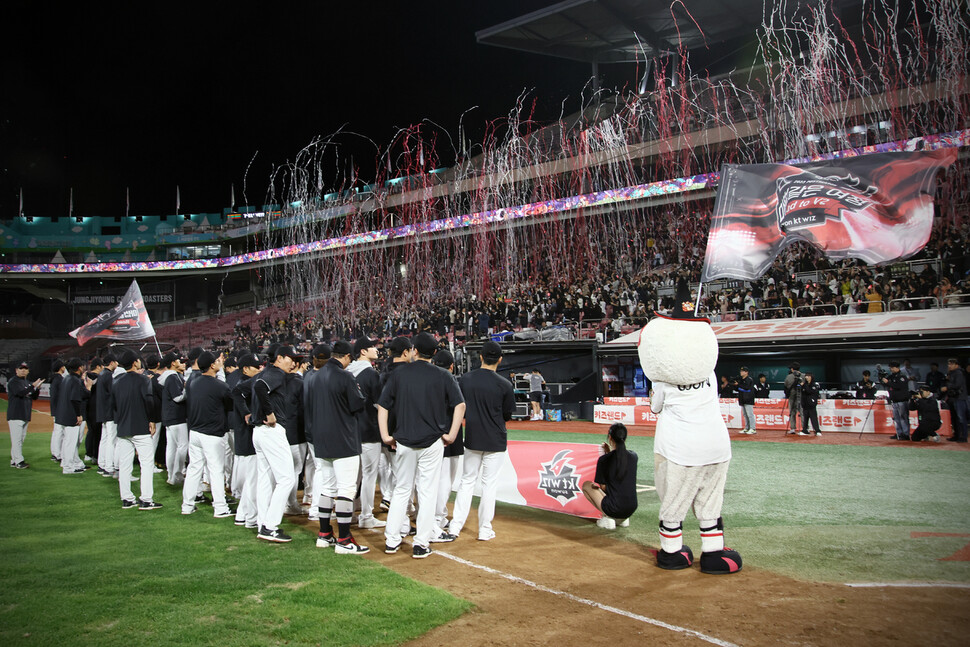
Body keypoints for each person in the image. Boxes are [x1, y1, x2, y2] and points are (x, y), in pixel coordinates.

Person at [379, 332, 465, 559]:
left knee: (401, 490)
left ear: (414, 350)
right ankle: (421, 543)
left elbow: (382, 407)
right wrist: (452, 434)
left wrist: (386, 435)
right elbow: (460, 406)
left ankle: (392, 540)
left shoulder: (399, 375)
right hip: (432, 442)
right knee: (427, 492)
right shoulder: (443, 375)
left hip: (404, 441)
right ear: (435, 353)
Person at [304, 340, 369, 554]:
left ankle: (324, 534)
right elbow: (357, 404)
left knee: (328, 488)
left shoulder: (315, 376)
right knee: (346, 490)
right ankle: (344, 540)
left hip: (321, 439)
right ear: (347, 357)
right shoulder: (345, 376)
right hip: (343, 438)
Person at [449, 341, 514, 542]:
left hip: (473, 437)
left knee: (467, 482)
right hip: (495, 439)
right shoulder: (505, 384)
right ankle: (485, 529)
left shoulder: (465, 380)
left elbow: (459, 407)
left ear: (481, 357)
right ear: (500, 359)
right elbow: (507, 414)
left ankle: (455, 526)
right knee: (489, 485)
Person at [251, 344, 302, 542]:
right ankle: (270, 526)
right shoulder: (276, 373)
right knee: (287, 479)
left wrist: (254, 412)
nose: (294, 362)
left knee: (265, 479)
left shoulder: (265, 373)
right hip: (271, 431)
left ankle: (263, 523)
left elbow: (247, 388)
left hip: (259, 431)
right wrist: (269, 413)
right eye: (290, 358)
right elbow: (259, 387)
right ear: (279, 358)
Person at [182, 351, 235, 518]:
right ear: (212, 365)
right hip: (212, 434)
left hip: (195, 432)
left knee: (194, 469)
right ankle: (220, 508)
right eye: (217, 361)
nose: (220, 363)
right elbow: (230, 406)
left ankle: (187, 505)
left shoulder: (193, 383)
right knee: (216, 470)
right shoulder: (220, 386)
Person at [112, 350, 161, 510]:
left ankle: (127, 499)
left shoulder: (116, 381)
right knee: (146, 464)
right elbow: (149, 402)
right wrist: (152, 420)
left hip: (123, 427)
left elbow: (114, 405)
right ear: (135, 363)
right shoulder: (143, 379)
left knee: (125, 465)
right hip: (141, 427)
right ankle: (146, 500)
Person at [347, 337, 386, 530]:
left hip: (351, 431)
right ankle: (366, 515)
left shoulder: (346, 372)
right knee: (369, 474)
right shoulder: (371, 374)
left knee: (355, 475)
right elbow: (381, 405)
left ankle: (350, 511)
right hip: (369, 430)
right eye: (372, 346)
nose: (376, 349)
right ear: (363, 351)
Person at [580, 422, 638, 529]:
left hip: (614, 508)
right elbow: (618, 460)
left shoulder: (604, 460)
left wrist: (607, 454)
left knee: (587, 485)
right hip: (631, 508)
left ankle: (608, 517)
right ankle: (621, 520)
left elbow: (603, 488)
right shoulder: (634, 456)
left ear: (610, 438)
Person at [432, 349, 463, 536]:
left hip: (432, 432)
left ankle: (435, 514)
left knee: (431, 479)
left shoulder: (427, 381)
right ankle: (438, 516)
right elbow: (461, 407)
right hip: (451, 433)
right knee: (445, 480)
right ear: (452, 366)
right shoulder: (452, 381)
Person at [231, 353, 262, 529]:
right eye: (255, 367)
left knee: (250, 479)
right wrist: (246, 413)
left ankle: (242, 514)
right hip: (246, 436)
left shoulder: (240, 381)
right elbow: (236, 395)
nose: (259, 370)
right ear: (245, 369)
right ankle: (248, 515)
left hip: (243, 437)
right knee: (252, 479)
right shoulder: (242, 384)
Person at [53, 358, 88, 474]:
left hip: (62, 414)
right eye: (82, 366)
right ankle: (68, 467)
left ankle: (66, 463)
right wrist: (78, 415)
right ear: (79, 368)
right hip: (70, 415)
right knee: (70, 442)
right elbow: (75, 399)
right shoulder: (74, 380)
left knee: (67, 441)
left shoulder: (66, 378)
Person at [158, 352, 188, 485]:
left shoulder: (170, 376)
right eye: (178, 361)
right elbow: (178, 397)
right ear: (172, 363)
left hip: (170, 417)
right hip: (176, 416)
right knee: (182, 446)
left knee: (172, 447)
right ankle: (177, 474)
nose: (181, 363)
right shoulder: (172, 377)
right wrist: (187, 389)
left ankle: (171, 475)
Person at [6, 361, 43, 469]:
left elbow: (33, 397)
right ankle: (19, 461)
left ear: (28, 371)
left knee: (20, 439)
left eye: (25, 368)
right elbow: (20, 393)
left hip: (25, 415)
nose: (23, 370)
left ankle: (14, 460)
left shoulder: (26, 382)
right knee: (17, 439)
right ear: (16, 370)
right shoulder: (13, 381)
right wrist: (32, 386)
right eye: (21, 368)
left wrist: (37, 389)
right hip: (15, 414)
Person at [96, 353, 119, 477]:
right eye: (116, 362)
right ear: (111, 363)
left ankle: (102, 464)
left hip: (103, 412)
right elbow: (113, 393)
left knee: (104, 439)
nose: (117, 364)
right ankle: (109, 468)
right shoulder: (109, 375)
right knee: (111, 440)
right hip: (110, 413)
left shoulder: (101, 374)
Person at [882, 361, 911, 440]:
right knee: (897, 419)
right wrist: (883, 378)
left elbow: (899, 386)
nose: (891, 369)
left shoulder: (902, 376)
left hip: (902, 400)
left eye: (892, 368)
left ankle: (906, 434)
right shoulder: (892, 376)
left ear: (896, 368)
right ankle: (899, 433)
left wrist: (889, 382)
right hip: (894, 400)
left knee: (903, 418)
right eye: (890, 368)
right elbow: (884, 383)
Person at [941, 358, 968, 442]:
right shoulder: (951, 373)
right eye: (949, 364)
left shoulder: (959, 373)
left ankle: (963, 436)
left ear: (956, 365)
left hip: (959, 398)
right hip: (953, 398)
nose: (949, 366)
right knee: (954, 418)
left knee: (961, 418)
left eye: (951, 364)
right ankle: (956, 435)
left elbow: (957, 384)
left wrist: (947, 387)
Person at [49, 359, 66, 462]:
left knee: (57, 432)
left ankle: (55, 453)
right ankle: (57, 454)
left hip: (56, 409)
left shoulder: (55, 379)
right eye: (63, 366)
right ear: (61, 368)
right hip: (59, 409)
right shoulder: (59, 379)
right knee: (59, 432)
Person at [735, 367, 756, 434]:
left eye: (743, 371)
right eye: (741, 371)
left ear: (746, 372)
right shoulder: (740, 380)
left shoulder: (749, 380)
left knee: (750, 414)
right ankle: (747, 428)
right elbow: (737, 389)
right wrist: (736, 385)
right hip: (742, 399)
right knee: (745, 414)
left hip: (748, 399)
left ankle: (753, 428)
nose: (741, 372)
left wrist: (738, 385)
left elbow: (747, 388)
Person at [784, 362, 804, 435]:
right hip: (801, 396)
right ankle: (805, 428)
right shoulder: (804, 376)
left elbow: (786, 385)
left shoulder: (788, 377)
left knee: (792, 412)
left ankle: (792, 428)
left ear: (792, 369)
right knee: (802, 412)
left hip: (791, 396)